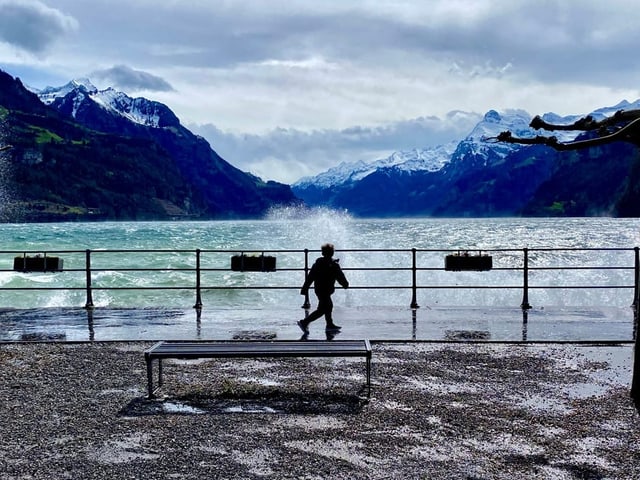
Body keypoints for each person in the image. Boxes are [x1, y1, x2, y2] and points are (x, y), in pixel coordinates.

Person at [297, 243, 349, 334]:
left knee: (328, 306)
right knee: (323, 309)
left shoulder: (318, 264)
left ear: (322, 253)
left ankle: (329, 324)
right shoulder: (334, 265)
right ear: (332, 253)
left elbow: (310, 277)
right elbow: (340, 277)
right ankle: (304, 322)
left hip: (319, 289)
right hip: (325, 290)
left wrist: (305, 288)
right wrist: (345, 284)